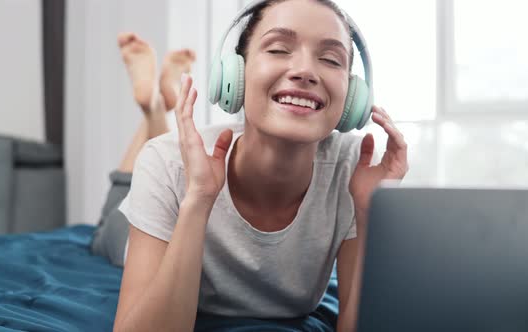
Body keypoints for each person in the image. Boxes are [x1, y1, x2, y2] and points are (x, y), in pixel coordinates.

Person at [113, 1, 409, 331]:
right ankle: (154, 111)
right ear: (235, 73)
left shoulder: (355, 171)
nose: (305, 71)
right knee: (109, 227)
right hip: (143, 207)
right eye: (280, 49)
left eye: (329, 59)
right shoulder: (167, 162)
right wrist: (197, 198)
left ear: (353, 96)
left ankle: (156, 108)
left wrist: (371, 214)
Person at [90, 32, 196, 266]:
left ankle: (155, 107)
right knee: (121, 194)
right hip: (147, 218)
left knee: (111, 215)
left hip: (132, 222)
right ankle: (155, 106)